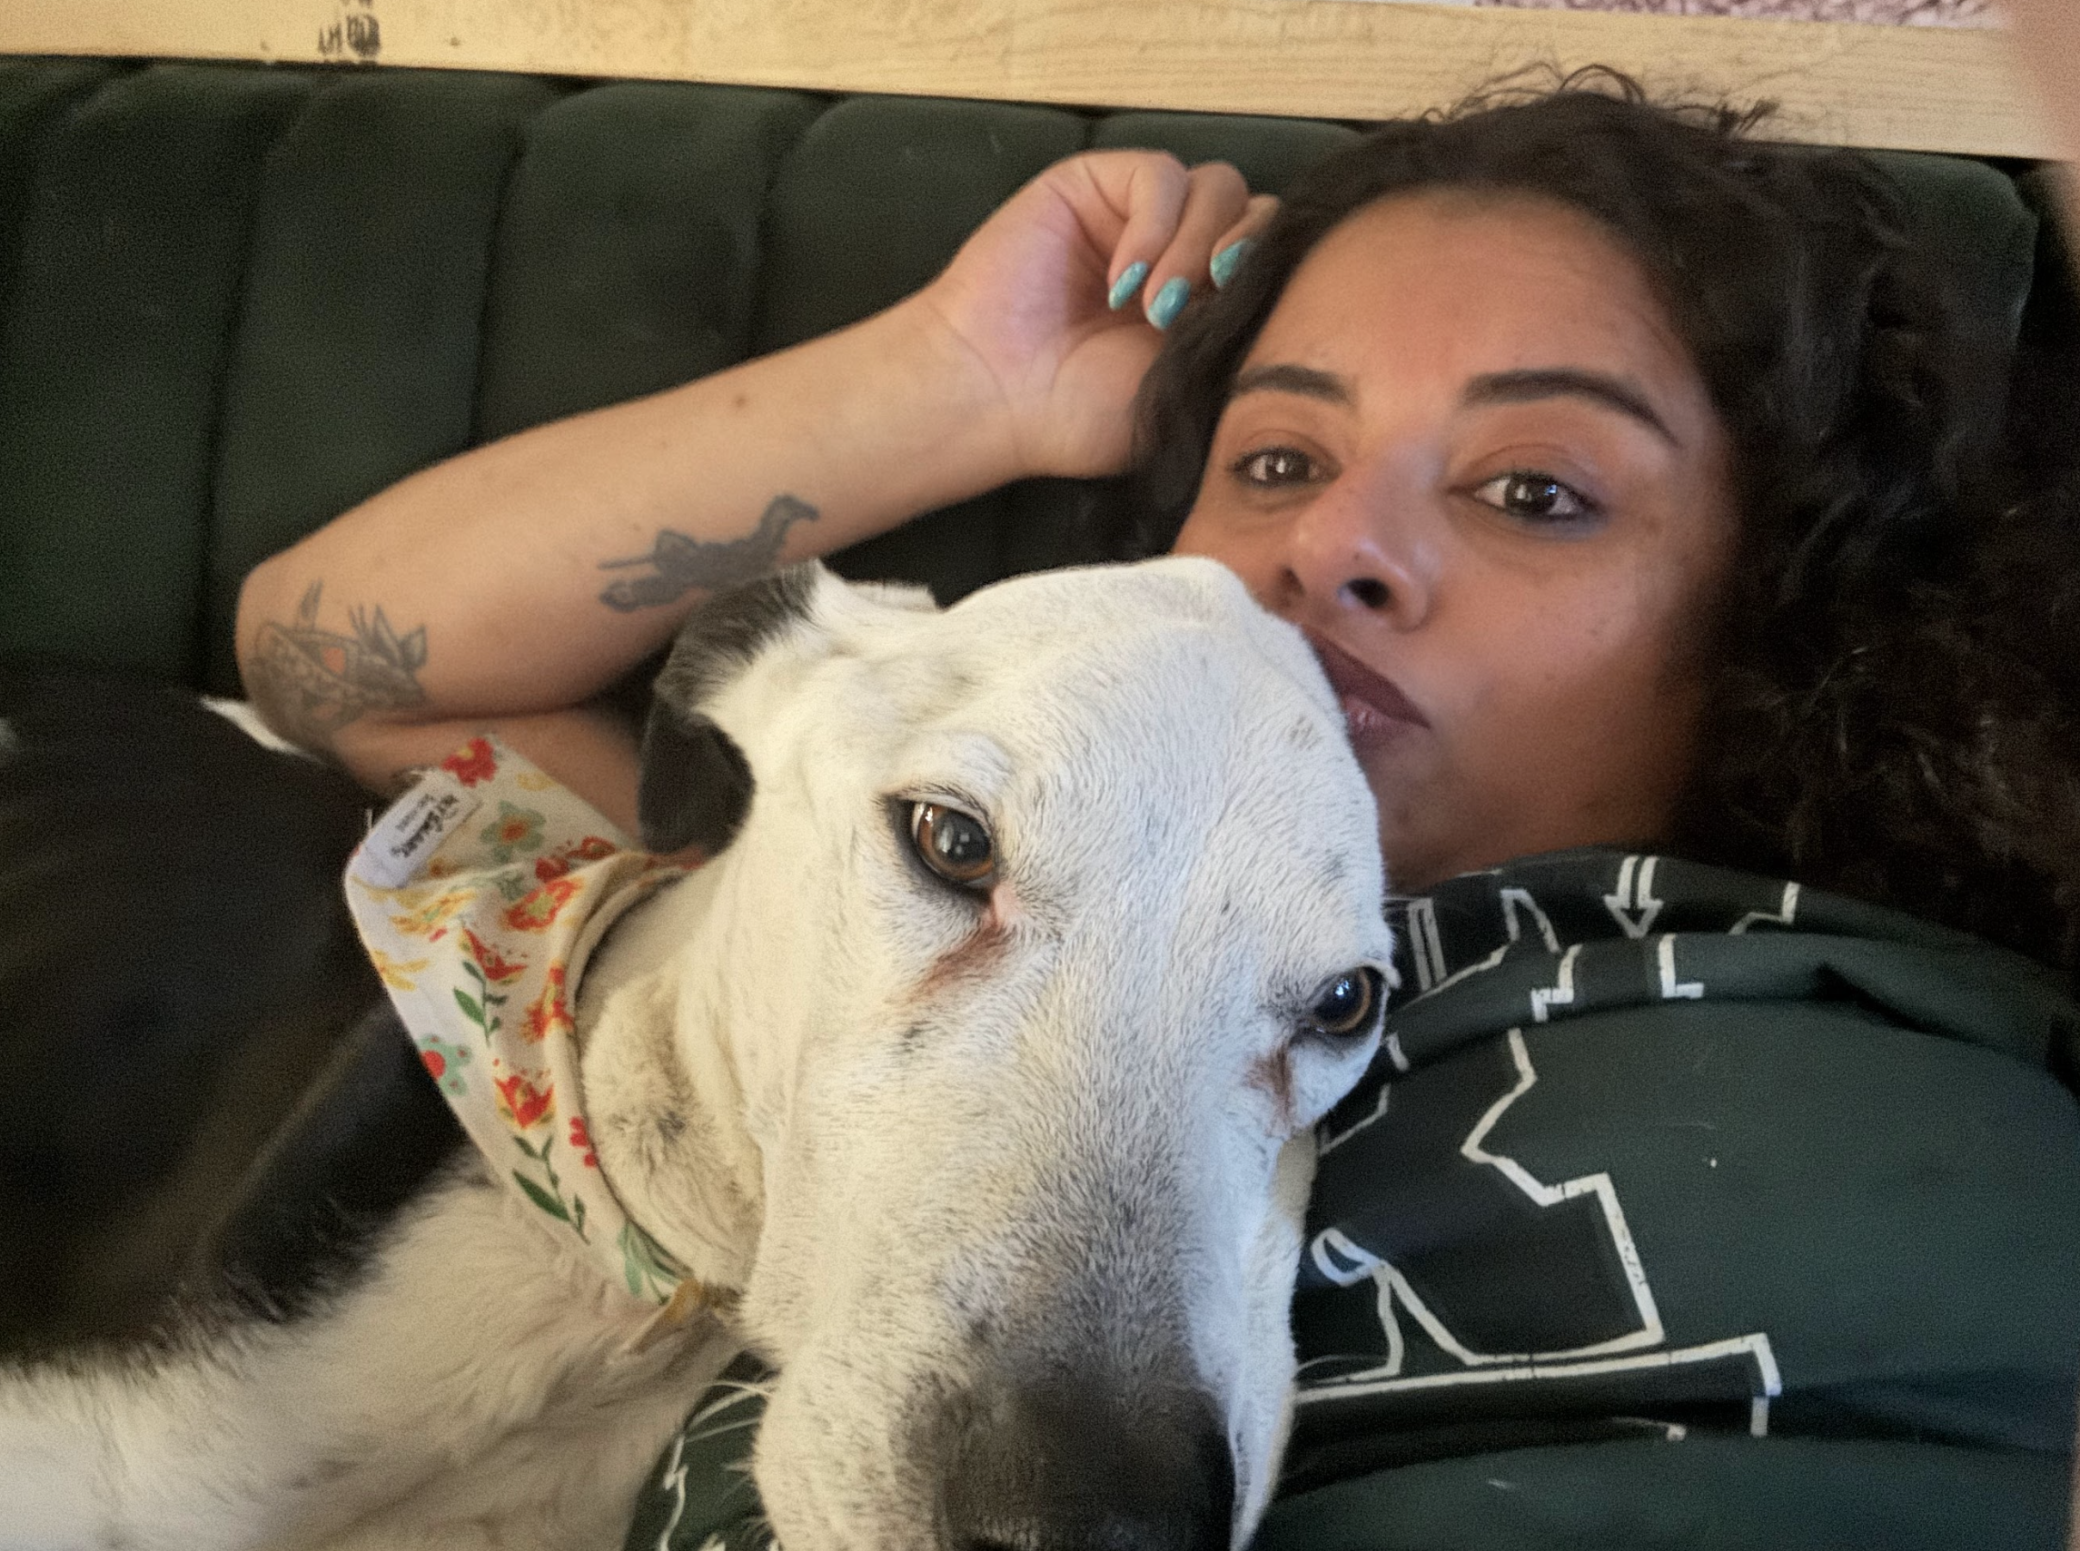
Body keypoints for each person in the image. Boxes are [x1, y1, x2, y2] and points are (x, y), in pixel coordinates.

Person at [235, 20, 2080, 1551]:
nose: (1339, 544)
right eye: (1276, 455)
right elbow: (337, 658)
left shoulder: (1852, 1033)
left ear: (1780, 619)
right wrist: (972, 384)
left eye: (1534, 488)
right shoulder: (918, 800)